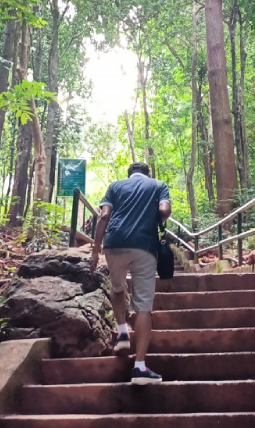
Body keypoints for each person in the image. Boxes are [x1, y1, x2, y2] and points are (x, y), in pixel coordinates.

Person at [90, 162, 171, 384]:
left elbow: (104, 216)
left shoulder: (115, 186)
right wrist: (154, 216)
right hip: (144, 246)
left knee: (117, 288)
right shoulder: (158, 185)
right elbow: (164, 210)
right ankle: (140, 368)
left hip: (113, 244)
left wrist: (95, 251)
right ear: (148, 173)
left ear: (129, 174)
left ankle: (123, 332)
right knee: (143, 305)